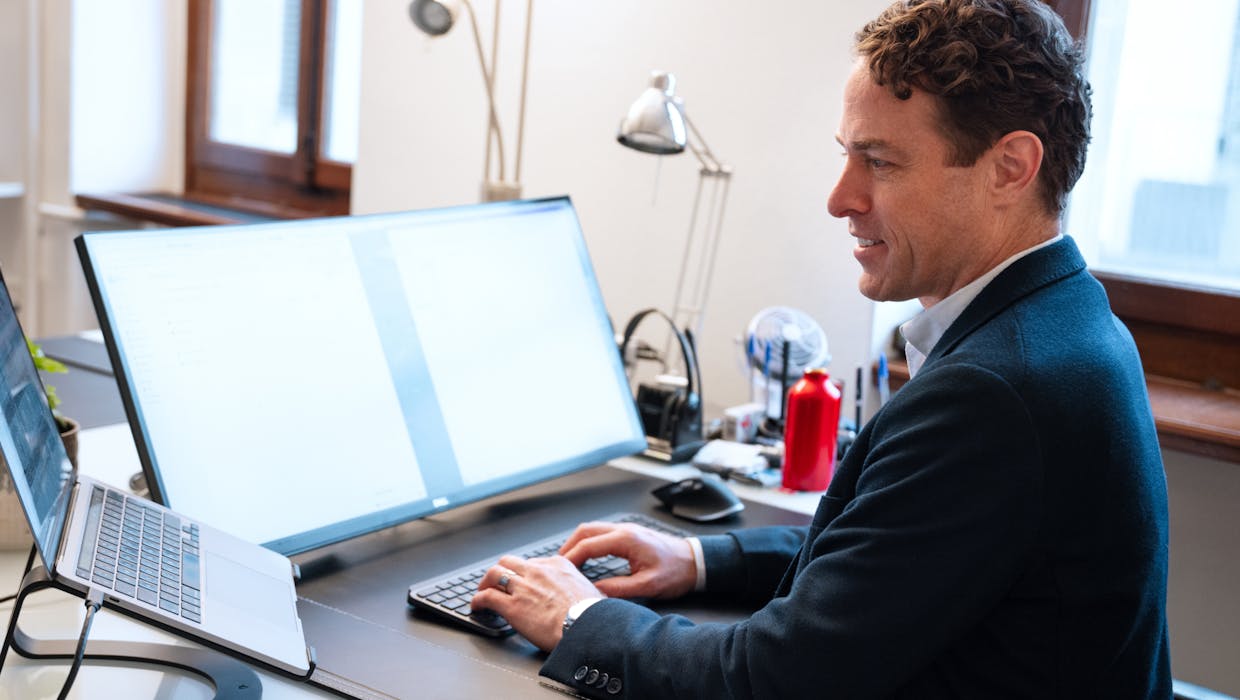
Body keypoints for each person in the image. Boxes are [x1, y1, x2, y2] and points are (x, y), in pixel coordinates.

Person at [470, 0, 1172, 697]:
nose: (840, 198)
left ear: (1010, 168)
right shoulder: (1069, 321)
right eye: (847, 155)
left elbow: (770, 681)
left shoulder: (993, 393)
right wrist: (696, 558)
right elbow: (889, 555)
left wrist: (579, 616)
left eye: (880, 162)